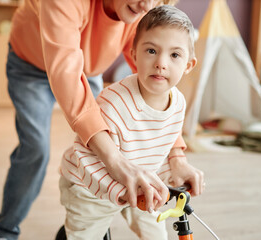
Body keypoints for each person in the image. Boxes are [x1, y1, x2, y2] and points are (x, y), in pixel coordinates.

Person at [0, 0, 204, 239]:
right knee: (36, 149)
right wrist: (117, 164)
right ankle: (5, 230)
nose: (146, 3)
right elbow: (66, 75)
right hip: (31, 63)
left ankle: (92, 220)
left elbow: (155, 93)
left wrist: (176, 156)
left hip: (88, 67)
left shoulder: (143, 8)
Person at [59, 5, 204, 239]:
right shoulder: (113, 102)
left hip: (142, 185)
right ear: (134, 54)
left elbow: (160, 143)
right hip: (91, 189)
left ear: (188, 65)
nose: (161, 63)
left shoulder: (178, 103)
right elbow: (85, 156)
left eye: (175, 55)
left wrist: (177, 162)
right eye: (151, 51)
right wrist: (123, 191)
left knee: (157, 235)